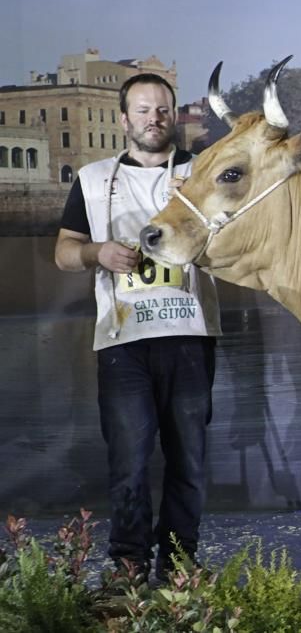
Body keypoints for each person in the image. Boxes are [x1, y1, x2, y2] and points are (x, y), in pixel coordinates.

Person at [54, 73, 221, 583]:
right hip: (122, 340)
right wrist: (97, 252)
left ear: (175, 115)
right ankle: (128, 564)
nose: (155, 119)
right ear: (124, 119)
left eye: (163, 109)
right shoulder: (92, 177)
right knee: (129, 461)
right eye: (144, 111)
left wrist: (202, 214)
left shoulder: (202, 173)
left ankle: (178, 564)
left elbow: (238, 250)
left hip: (191, 335)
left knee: (188, 461)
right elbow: (64, 254)